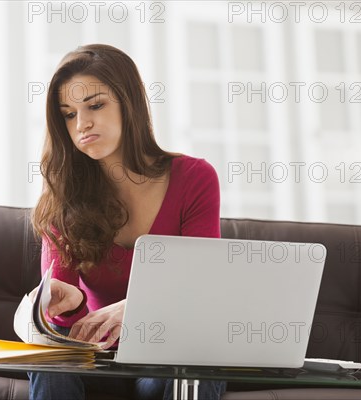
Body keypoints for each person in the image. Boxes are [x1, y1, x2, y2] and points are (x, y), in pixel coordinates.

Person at [28, 43, 226, 400]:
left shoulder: (194, 178)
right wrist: (68, 303)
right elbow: (61, 332)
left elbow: (203, 286)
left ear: (129, 103)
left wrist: (139, 307)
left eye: (95, 105)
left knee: (192, 367)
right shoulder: (62, 199)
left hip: (170, 354)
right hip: (98, 361)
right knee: (48, 365)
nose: (82, 123)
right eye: (68, 114)